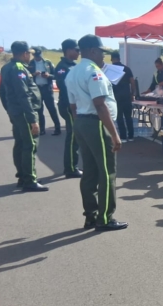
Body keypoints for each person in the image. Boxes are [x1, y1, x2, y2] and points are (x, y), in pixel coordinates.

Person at [65, 34, 127, 231]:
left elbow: (73, 106)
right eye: (101, 52)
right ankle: (105, 217)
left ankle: (90, 215)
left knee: (90, 172)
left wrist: (79, 125)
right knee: (107, 172)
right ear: (92, 51)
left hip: (82, 122)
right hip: (97, 124)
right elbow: (100, 105)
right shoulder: (94, 72)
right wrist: (114, 134)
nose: (103, 57)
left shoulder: (72, 72)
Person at [0, 41, 47, 192]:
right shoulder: (19, 69)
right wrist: (32, 119)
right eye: (29, 54)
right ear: (25, 53)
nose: (30, 56)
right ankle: (29, 180)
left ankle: (23, 175)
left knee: (20, 143)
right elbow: (24, 95)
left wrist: (9, 109)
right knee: (30, 145)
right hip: (25, 112)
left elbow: (1, 92)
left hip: (16, 111)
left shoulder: (7, 67)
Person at [54, 39, 82, 178]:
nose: (78, 53)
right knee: (72, 136)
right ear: (68, 50)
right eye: (76, 50)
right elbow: (65, 89)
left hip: (75, 104)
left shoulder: (74, 65)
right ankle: (70, 168)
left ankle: (72, 165)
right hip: (68, 105)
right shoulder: (62, 67)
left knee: (75, 137)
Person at [29, 48, 61, 135]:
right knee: (39, 110)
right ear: (33, 55)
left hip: (47, 88)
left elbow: (55, 75)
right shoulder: (30, 63)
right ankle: (42, 129)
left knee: (52, 109)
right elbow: (27, 76)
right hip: (36, 89)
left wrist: (48, 75)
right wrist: (33, 74)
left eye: (39, 56)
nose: (38, 58)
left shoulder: (48, 62)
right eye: (36, 56)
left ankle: (57, 128)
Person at [109, 51, 136, 143]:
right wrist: (132, 94)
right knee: (128, 117)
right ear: (119, 58)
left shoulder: (110, 69)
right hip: (126, 96)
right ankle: (131, 136)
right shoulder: (126, 69)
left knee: (119, 117)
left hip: (115, 96)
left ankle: (123, 137)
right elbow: (132, 82)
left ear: (111, 59)